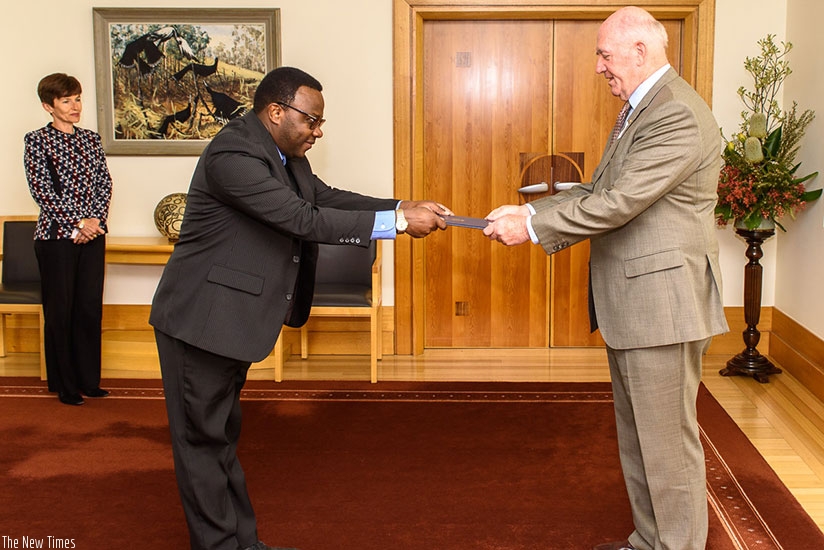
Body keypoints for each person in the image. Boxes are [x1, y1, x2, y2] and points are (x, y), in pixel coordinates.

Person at [149, 66, 451, 550]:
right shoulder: (233, 153)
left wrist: (402, 203)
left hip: (230, 321)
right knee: (202, 446)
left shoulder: (283, 155)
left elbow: (326, 198)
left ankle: (244, 544)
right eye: (311, 121)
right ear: (275, 111)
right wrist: (395, 223)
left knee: (221, 440)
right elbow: (300, 217)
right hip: (200, 321)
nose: (317, 131)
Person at [483, 7, 728, 550]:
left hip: (661, 302)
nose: (598, 67)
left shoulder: (676, 114)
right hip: (637, 302)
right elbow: (597, 189)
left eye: (604, 54)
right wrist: (525, 213)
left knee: (666, 443)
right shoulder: (642, 110)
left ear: (640, 51)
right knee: (640, 438)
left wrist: (532, 227)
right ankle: (649, 539)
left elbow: (619, 204)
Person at [23, 73, 112, 406]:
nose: (75, 106)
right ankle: (65, 384)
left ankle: (89, 380)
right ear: (49, 106)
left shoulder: (90, 139)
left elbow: (104, 183)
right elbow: (42, 190)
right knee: (61, 310)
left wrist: (95, 222)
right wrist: (78, 222)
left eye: (77, 98)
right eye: (66, 100)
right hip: (56, 237)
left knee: (89, 309)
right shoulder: (37, 141)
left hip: (93, 235)